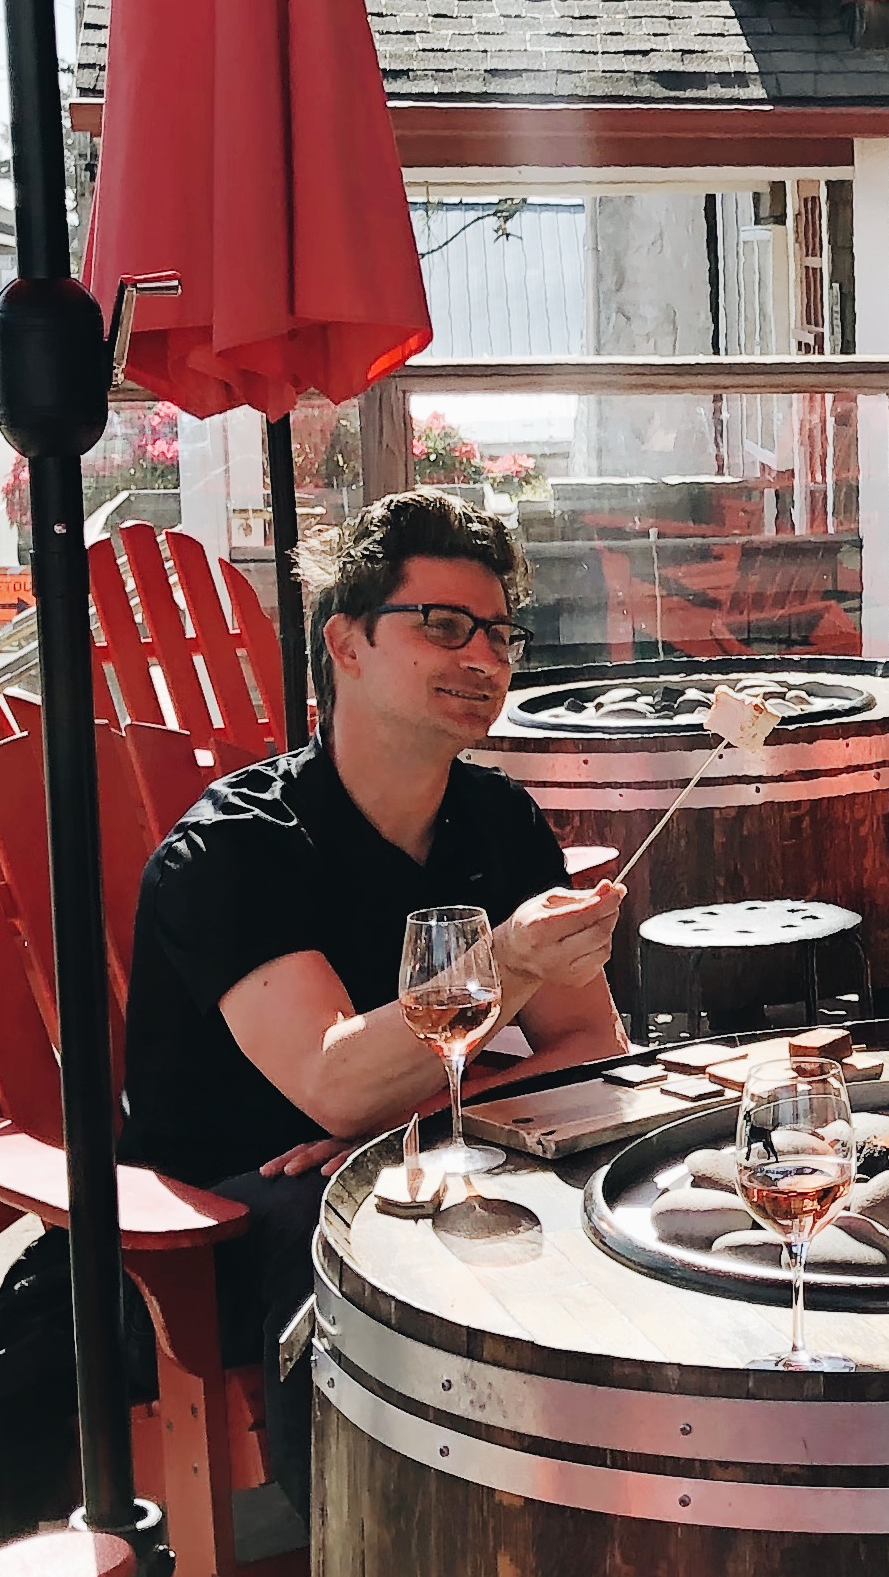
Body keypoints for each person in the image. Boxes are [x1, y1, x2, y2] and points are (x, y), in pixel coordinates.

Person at [119, 488, 626, 1516]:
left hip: (417, 1152)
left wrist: (427, 1120)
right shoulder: (240, 848)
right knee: (358, 1232)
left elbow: (591, 1047)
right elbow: (333, 1084)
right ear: (345, 643)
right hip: (220, 1210)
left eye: (500, 634)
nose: (482, 657)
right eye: (442, 626)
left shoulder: (499, 822)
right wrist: (510, 967)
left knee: (615, 1176)